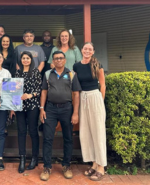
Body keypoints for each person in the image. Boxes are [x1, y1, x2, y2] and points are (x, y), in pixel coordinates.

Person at [39, 51, 81, 181]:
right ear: (53, 60)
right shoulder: (47, 74)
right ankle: (47, 167)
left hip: (67, 109)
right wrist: (42, 109)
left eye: (61, 58)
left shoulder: (71, 74)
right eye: (56, 58)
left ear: (64, 60)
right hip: (50, 109)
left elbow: (76, 94)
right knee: (48, 138)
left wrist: (75, 113)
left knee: (68, 138)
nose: (58, 60)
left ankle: (66, 166)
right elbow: (44, 92)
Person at [73, 42, 106, 182]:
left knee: (98, 132)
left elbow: (102, 84)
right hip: (83, 98)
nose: (87, 51)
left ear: (93, 51)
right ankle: (93, 163)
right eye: (85, 48)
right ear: (81, 50)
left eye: (90, 49)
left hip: (94, 97)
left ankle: (101, 167)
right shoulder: (76, 66)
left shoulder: (97, 64)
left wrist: (100, 101)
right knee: (86, 132)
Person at [11, 51, 42, 173]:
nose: (25, 60)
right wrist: (12, 107)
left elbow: (40, 90)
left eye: (27, 58)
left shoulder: (35, 72)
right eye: (23, 58)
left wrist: (30, 95)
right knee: (21, 131)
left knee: (33, 130)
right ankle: (22, 158)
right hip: (19, 106)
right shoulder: (17, 73)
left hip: (32, 105)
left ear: (31, 60)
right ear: (21, 60)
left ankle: (34, 158)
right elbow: (13, 90)